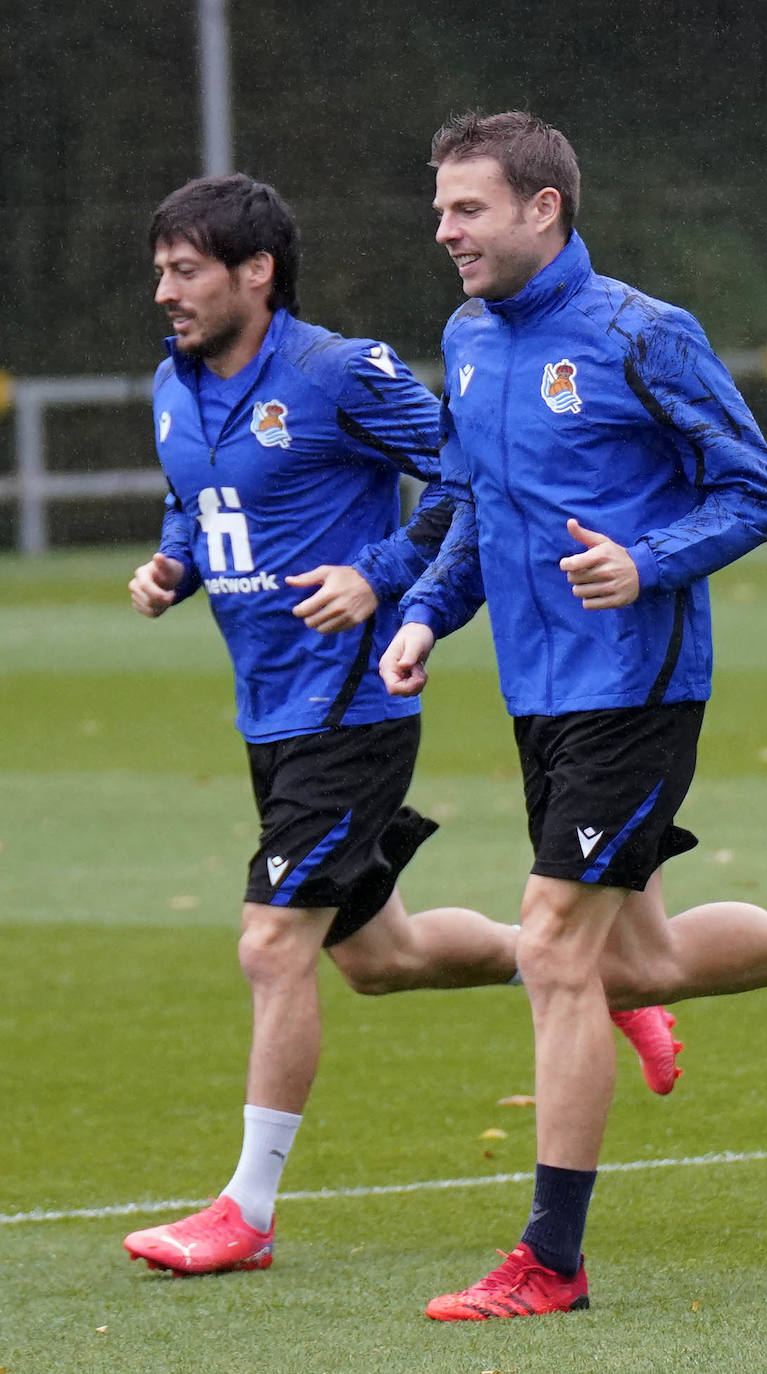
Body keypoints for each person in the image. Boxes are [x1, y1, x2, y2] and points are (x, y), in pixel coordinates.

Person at [380, 111, 767, 1321]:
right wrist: (422, 616)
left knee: (555, 950)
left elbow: (758, 488)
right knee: (636, 962)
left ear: (544, 208)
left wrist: (647, 563)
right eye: (441, 208)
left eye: (467, 208)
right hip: (540, 694)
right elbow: (472, 507)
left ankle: (552, 1261)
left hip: (638, 690)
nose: (444, 231)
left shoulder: (642, 334)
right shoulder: (468, 337)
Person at [120, 173, 684, 1278]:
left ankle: (246, 1211)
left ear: (256, 272)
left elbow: (470, 473)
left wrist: (380, 576)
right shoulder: (172, 385)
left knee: (270, 943)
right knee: (383, 957)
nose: (164, 293)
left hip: (352, 703)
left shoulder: (338, 373)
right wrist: (173, 563)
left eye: (183, 271)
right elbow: (199, 494)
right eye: (159, 272)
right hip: (268, 708)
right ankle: (580, 978)